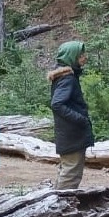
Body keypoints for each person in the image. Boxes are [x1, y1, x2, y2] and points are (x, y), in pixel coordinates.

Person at [47, 41, 94, 189]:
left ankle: (57, 204)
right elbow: (57, 104)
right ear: (72, 57)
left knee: (67, 170)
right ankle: (60, 207)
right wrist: (81, 119)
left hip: (69, 134)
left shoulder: (64, 76)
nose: (84, 58)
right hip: (71, 134)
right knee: (70, 174)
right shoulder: (67, 79)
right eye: (81, 56)